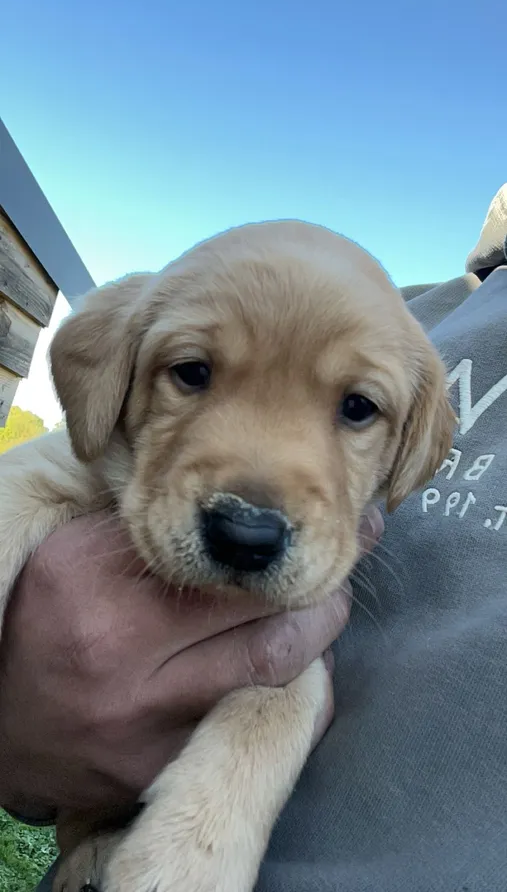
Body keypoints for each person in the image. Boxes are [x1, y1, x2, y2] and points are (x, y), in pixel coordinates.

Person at [1, 185, 507, 892]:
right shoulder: (421, 310)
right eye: (192, 372)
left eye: (357, 406)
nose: (250, 517)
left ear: (412, 444)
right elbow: (24, 488)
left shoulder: (410, 365)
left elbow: (291, 671)